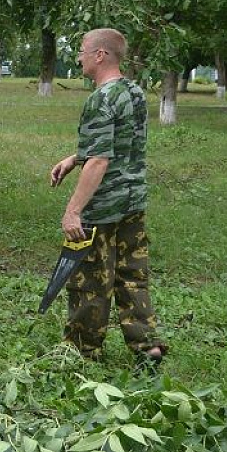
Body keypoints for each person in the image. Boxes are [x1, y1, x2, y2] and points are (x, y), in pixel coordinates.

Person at [49, 28, 166, 367]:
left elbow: (101, 161)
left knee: (89, 280)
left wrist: (73, 212)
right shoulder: (133, 93)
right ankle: (147, 347)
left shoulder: (99, 99)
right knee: (132, 275)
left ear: (100, 55)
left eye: (84, 51)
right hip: (133, 202)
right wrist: (76, 158)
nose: (80, 57)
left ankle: (82, 352)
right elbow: (118, 142)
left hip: (102, 208)